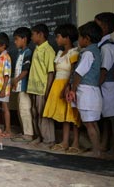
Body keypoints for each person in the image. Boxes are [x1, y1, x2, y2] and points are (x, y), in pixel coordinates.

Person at [42, 24, 81, 153]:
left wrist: (68, 86)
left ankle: (75, 142)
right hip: (57, 85)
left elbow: (74, 72)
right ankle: (64, 141)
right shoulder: (59, 53)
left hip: (67, 85)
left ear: (67, 38)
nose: (56, 40)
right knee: (64, 115)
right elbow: (54, 72)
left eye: (58, 37)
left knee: (72, 115)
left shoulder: (74, 52)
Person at [68, 21, 103, 157]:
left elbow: (79, 73)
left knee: (89, 124)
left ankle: (95, 152)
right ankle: (97, 150)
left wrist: (73, 89)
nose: (78, 40)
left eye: (80, 37)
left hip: (86, 91)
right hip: (93, 91)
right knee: (93, 123)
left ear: (86, 39)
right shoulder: (96, 51)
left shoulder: (88, 53)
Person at [27, 23, 56, 148]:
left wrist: (48, 90)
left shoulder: (48, 50)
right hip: (33, 88)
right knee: (35, 113)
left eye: (33, 35)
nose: (31, 37)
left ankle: (49, 139)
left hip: (42, 88)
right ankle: (39, 136)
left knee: (44, 115)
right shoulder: (36, 48)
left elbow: (51, 72)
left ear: (40, 34)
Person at [94, 12, 114, 153]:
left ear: (105, 27)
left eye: (97, 26)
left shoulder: (107, 47)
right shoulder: (101, 45)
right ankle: (104, 144)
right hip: (105, 86)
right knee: (106, 118)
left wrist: (94, 87)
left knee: (110, 118)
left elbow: (104, 71)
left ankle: (110, 146)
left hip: (108, 86)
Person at [11, 27, 34, 142]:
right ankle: (25, 131)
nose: (14, 42)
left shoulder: (28, 52)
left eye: (16, 39)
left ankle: (29, 134)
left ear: (24, 39)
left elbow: (25, 70)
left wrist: (16, 80)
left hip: (24, 86)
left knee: (25, 109)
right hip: (19, 87)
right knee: (20, 109)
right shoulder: (20, 53)